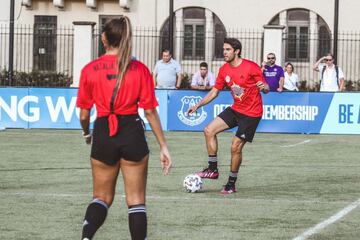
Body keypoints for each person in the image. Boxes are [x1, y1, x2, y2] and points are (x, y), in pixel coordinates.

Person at [76, 17, 172, 240]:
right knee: (136, 200)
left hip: (103, 132)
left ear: (104, 38)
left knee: (100, 197)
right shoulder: (140, 69)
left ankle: (86, 237)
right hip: (132, 131)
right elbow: (149, 111)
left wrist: (86, 133)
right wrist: (164, 147)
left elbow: (83, 114)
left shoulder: (90, 69)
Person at [187, 38, 269, 194]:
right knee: (208, 130)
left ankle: (231, 184)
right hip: (236, 109)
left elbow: (266, 88)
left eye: (227, 50)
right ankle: (212, 169)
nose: (224, 52)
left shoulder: (251, 67)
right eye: (224, 49)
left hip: (251, 114)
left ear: (236, 51)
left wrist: (263, 87)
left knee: (235, 147)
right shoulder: (224, 69)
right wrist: (198, 105)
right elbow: (214, 92)